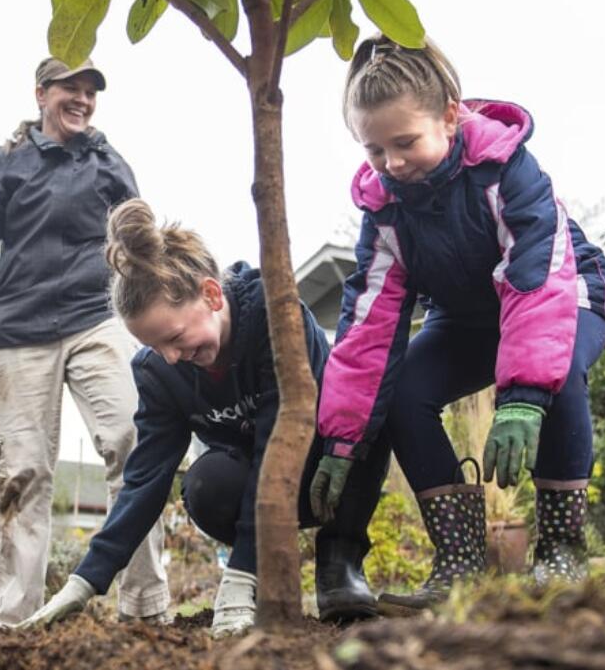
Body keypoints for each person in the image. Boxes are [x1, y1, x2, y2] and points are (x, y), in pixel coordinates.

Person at [309, 35, 605, 608]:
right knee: (404, 393)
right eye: (374, 150)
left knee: (562, 366)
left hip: (566, 290)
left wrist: (523, 394)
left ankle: (561, 552)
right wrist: (343, 436)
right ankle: (460, 562)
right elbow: (368, 327)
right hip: (470, 317)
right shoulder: (384, 210)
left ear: (450, 116)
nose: (392, 164)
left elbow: (535, 278)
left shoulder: (507, 171)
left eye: (405, 142)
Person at [21, 200, 390, 637]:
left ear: (212, 295)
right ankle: (260, 570)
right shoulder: (160, 373)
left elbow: (281, 443)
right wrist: (85, 581)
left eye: (176, 337)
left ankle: (339, 559)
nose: (173, 357)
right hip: (249, 480)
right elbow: (144, 480)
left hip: (327, 469)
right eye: (157, 347)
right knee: (204, 482)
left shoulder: (277, 318)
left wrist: (240, 573)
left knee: (375, 412)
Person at [0, 58, 168, 627]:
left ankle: (145, 608)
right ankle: (13, 622)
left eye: (90, 92)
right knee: (22, 473)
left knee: (134, 438)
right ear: (40, 95)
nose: (82, 100)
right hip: (17, 331)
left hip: (95, 317)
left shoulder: (109, 163)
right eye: (70, 90)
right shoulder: (3, 164)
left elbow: (143, 249)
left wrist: (161, 325)